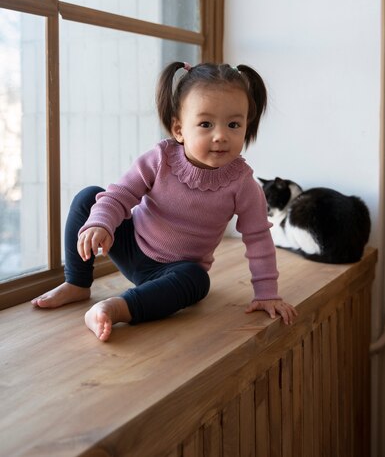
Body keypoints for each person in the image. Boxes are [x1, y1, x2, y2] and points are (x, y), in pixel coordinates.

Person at [32, 62, 297, 341]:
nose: (220, 135)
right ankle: (76, 282)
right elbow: (120, 194)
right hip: (131, 243)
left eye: (233, 124)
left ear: (246, 126)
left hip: (176, 271)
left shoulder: (242, 183)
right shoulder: (160, 158)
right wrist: (102, 223)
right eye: (206, 124)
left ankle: (118, 308)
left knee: (198, 281)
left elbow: (258, 239)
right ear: (179, 129)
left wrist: (267, 293)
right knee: (89, 198)